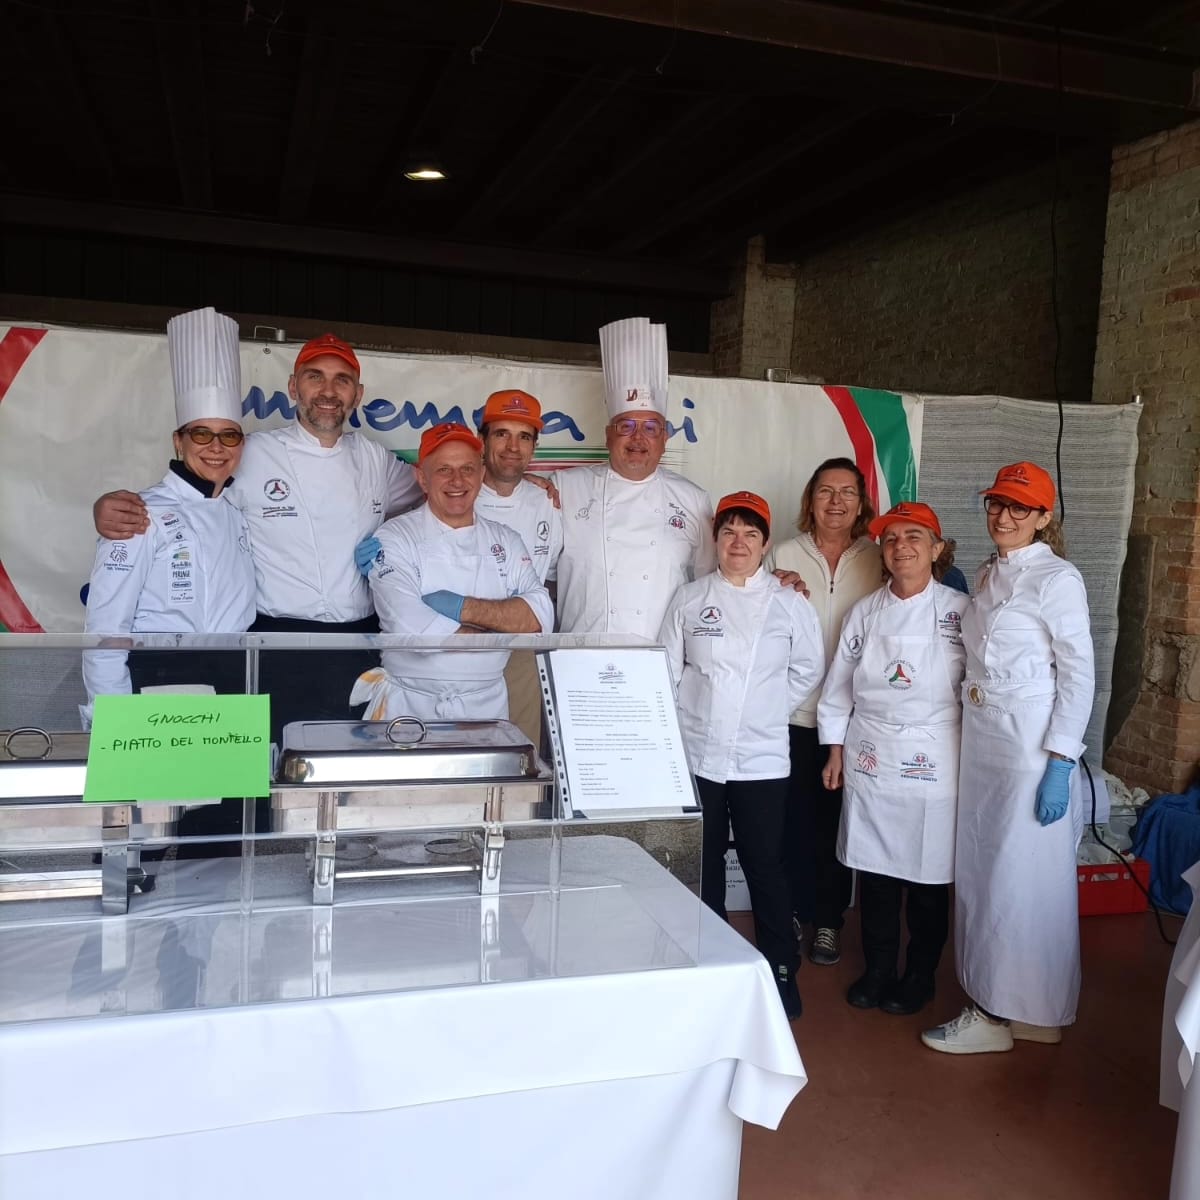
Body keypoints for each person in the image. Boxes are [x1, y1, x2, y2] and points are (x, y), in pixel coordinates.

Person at [94, 333, 425, 736]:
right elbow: (193, 498)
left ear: (358, 394)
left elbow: (441, 493)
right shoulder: (250, 451)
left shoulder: (376, 459)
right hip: (273, 647)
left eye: (342, 380)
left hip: (358, 645)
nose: (328, 391)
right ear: (293, 387)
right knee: (268, 766)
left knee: (350, 762)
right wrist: (110, 508)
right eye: (314, 377)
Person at [923, 461, 1094, 1055]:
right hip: (982, 739)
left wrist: (1061, 761)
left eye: (1019, 507)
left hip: (1028, 745)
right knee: (985, 873)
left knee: (1021, 881)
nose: (1003, 516)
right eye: (997, 503)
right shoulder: (989, 572)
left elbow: (1078, 674)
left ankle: (1003, 1012)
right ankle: (1021, 1008)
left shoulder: (1057, 579)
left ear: (1043, 518)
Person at [82, 306, 256, 845]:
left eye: (229, 436)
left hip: (234, 684)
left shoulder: (239, 510)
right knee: (148, 843)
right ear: (178, 441)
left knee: (222, 843)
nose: (216, 447)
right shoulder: (139, 513)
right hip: (160, 684)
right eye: (202, 434)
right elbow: (104, 628)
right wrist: (112, 723)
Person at [659, 491, 825, 1020]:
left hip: (761, 760)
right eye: (729, 531)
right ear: (715, 539)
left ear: (765, 544)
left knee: (765, 865)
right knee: (704, 863)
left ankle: (780, 971)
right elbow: (666, 670)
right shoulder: (690, 599)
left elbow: (808, 669)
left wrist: (763, 709)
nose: (738, 542)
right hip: (698, 755)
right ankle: (714, 964)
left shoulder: (788, 602)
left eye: (750, 533)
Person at [817, 502, 969, 1016]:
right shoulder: (866, 612)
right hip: (872, 753)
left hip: (935, 755)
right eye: (892, 538)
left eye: (914, 537)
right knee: (876, 873)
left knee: (928, 877)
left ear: (937, 549)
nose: (902, 546)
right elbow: (838, 686)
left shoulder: (961, 612)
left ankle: (919, 975)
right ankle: (878, 969)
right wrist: (835, 749)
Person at [350, 423, 553, 721]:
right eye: (443, 469)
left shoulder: (506, 540)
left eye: (467, 469)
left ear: (481, 475)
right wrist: (500, 631)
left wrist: (462, 607)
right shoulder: (393, 537)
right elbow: (411, 627)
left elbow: (539, 618)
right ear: (422, 478)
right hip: (409, 707)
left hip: (487, 706)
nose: (457, 480)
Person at [766, 458, 882, 966]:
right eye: (826, 491)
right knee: (791, 821)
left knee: (838, 826)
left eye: (847, 492)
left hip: (857, 719)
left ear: (861, 503)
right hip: (791, 714)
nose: (836, 502)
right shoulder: (783, 553)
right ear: (809, 500)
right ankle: (794, 911)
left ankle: (830, 920)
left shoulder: (879, 557)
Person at [554, 318, 716, 639]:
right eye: (626, 426)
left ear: (665, 439)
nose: (638, 438)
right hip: (580, 653)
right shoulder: (565, 487)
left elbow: (712, 585)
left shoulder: (693, 500)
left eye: (651, 428)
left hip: (658, 657)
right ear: (608, 436)